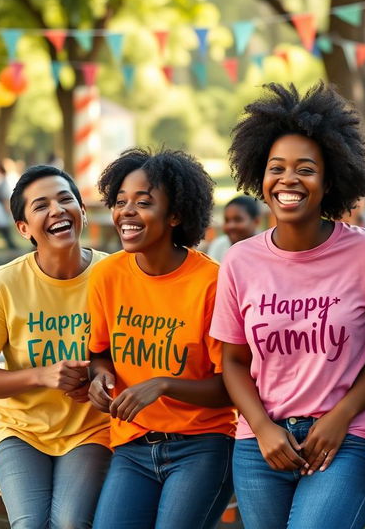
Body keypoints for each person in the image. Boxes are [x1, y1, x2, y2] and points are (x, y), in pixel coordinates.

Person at [210, 82, 365, 529]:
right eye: (277, 168)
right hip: (262, 443)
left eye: (306, 169)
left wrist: (342, 417)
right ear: (260, 175)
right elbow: (233, 361)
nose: (289, 180)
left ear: (329, 179)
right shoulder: (239, 260)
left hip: (348, 438)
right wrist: (262, 427)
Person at [87, 147, 236, 529]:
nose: (126, 212)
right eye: (120, 202)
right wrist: (100, 377)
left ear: (175, 215)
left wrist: (164, 384)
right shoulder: (107, 275)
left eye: (143, 202)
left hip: (202, 445)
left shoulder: (212, 283)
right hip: (132, 446)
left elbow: (231, 387)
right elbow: (99, 353)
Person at [0, 165, 111, 529]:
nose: (57, 210)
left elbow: (123, 355)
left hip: (90, 429)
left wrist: (97, 377)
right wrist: (42, 376)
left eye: (65, 200)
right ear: (23, 228)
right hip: (21, 430)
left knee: (70, 523)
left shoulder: (112, 275)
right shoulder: (3, 283)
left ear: (83, 211)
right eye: (41, 205)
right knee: (30, 524)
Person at [207, 195, 261, 262]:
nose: (230, 226)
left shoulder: (267, 248)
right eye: (227, 220)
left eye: (238, 219)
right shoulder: (219, 246)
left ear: (256, 221)